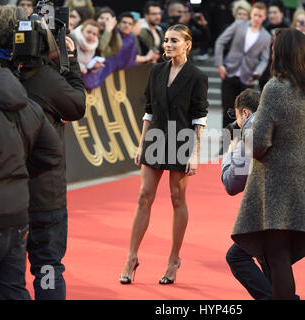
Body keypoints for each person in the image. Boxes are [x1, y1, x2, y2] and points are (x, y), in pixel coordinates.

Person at [0, 5, 86, 300]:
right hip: (45, 195)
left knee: (6, 280)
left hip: (4, 200)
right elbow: (77, 106)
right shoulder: (46, 78)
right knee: (47, 267)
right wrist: (69, 63)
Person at [231, 28, 305, 300]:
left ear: (285, 53)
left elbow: (257, 146)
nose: (272, 53)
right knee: (280, 257)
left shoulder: (275, 88)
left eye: (275, 49)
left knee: (277, 256)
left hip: (278, 187)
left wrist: (244, 128)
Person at [120, 24, 208, 285]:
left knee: (177, 198)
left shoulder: (196, 76)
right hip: (155, 138)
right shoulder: (156, 70)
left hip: (181, 139)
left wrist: (195, 154)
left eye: (174, 40)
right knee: (143, 196)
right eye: (166, 40)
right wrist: (140, 144)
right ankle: (131, 257)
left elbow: (199, 117)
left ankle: (173, 260)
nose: (167, 44)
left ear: (187, 44)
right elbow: (148, 110)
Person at [0, 42, 62, 300]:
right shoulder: (27, 104)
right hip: (18, 214)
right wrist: (15, 176)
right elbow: (52, 153)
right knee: (12, 289)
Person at [221, 89, 274, 300]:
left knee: (236, 257)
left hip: (269, 210)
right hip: (291, 205)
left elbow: (232, 183)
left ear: (244, 112)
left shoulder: (251, 131)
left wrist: (230, 150)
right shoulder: (274, 123)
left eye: (236, 117)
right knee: (269, 258)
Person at [214, 2, 271, 129]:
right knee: (228, 111)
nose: (257, 18)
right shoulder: (238, 25)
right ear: (251, 14)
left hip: (248, 77)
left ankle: (240, 143)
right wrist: (219, 64)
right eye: (255, 14)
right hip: (229, 72)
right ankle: (226, 143)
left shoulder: (266, 36)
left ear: (264, 17)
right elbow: (220, 42)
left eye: (260, 16)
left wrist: (257, 72)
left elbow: (264, 59)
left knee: (245, 114)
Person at [259, 0, 290, 91]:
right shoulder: (264, 28)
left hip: (284, 69)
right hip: (266, 68)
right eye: (270, 13)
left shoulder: (288, 28)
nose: (272, 15)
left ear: (281, 13)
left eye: (275, 12)